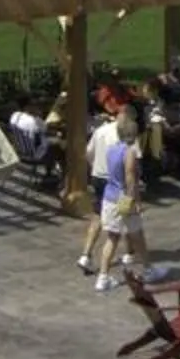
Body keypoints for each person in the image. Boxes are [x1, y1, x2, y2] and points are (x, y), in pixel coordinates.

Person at [95, 109, 148, 291]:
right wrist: (135, 201)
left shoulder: (111, 150)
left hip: (109, 196)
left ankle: (103, 276)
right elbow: (130, 179)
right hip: (123, 198)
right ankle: (149, 269)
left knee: (113, 236)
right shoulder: (129, 152)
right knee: (136, 233)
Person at [79, 100, 123, 282]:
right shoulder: (125, 135)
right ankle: (105, 273)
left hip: (98, 177)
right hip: (115, 182)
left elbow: (88, 154)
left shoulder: (100, 131)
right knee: (117, 226)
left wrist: (95, 168)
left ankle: (85, 255)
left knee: (97, 216)